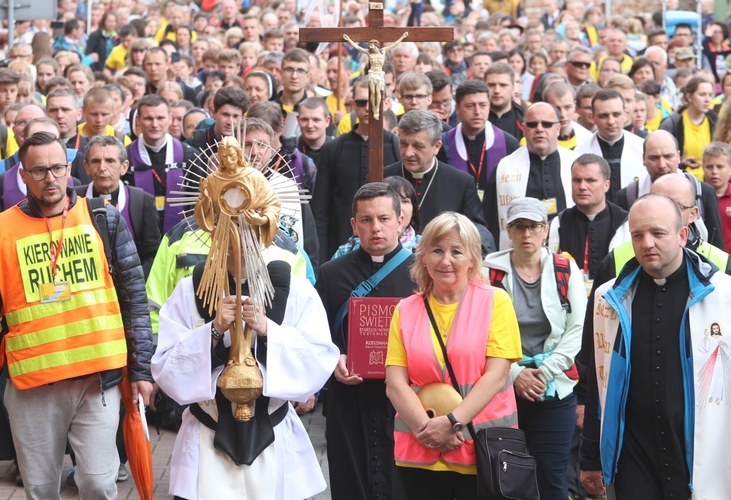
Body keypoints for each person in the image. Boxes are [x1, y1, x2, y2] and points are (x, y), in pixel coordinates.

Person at [152, 135, 338, 499]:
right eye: (227, 227)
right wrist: (212, 331)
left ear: (265, 233)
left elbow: (319, 360)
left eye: (249, 230)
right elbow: (166, 369)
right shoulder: (191, 290)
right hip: (207, 433)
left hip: (272, 430)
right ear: (213, 234)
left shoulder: (294, 289)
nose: (239, 236)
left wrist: (269, 330)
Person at [0, 131, 153, 498]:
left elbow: (134, 299)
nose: (51, 178)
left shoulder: (103, 219)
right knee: (41, 489)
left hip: (97, 379)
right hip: (32, 385)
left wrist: (141, 371)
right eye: (39, 170)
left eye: (57, 168)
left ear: (69, 168)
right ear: (22, 176)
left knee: (98, 482)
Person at [581, 193, 731, 499]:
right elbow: (600, 381)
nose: (647, 243)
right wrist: (590, 458)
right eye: (638, 235)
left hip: (700, 450)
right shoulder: (609, 298)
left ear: (682, 235)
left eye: (657, 233)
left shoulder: (724, 295)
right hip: (634, 453)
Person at [385, 211, 522, 498]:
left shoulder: (496, 302)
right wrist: (429, 431)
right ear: (424, 257)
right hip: (418, 451)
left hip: (481, 451)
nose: (445, 260)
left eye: (456, 251)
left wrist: (451, 424)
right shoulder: (405, 309)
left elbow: (496, 376)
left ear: (472, 259)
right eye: (437, 250)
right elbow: (395, 384)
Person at [316, 182, 416, 500]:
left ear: (401, 221)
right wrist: (334, 361)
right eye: (366, 220)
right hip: (349, 400)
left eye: (384, 218)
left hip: (406, 401)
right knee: (350, 483)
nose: (376, 228)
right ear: (353, 225)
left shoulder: (422, 273)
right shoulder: (331, 274)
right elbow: (316, 336)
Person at [483, 197, 585, 499]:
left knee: (552, 478)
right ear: (508, 230)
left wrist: (542, 374)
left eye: (534, 227)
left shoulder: (565, 269)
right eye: (519, 227)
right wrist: (515, 374)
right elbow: (481, 329)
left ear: (546, 230)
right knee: (503, 477)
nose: (527, 235)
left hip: (554, 389)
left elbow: (576, 328)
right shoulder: (489, 272)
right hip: (500, 387)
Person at [311, 76, 401, 263]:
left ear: (386, 103)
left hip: (393, 250)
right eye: (361, 102)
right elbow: (321, 209)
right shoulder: (332, 149)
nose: (368, 108)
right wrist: (322, 258)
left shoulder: (397, 147)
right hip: (342, 249)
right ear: (352, 104)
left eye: (374, 101)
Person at [384, 110, 494, 253]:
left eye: (418, 146)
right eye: (404, 144)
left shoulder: (461, 182)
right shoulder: (383, 177)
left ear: (436, 146)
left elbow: (478, 230)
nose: (408, 153)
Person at [483, 102, 580, 249]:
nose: (539, 129)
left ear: (558, 128)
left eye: (547, 124)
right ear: (523, 129)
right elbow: (489, 220)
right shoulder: (505, 167)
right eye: (532, 124)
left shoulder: (576, 164)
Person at [614, 130, 725, 250]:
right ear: (643, 159)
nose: (662, 164)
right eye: (654, 158)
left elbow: (716, 244)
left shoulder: (703, 192)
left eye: (668, 156)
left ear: (678, 156)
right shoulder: (627, 196)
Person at [78, 135, 161, 276]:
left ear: (124, 167)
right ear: (87, 167)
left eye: (110, 161)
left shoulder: (142, 201)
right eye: (96, 161)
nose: (102, 168)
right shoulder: (75, 199)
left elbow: (151, 255)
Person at [124, 94, 201, 234]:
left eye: (160, 118)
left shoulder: (190, 156)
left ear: (170, 119)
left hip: (182, 237)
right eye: (148, 118)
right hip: (138, 239)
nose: (155, 124)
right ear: (138, 120)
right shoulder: (125, 157)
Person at [548, 154, 630, 283]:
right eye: (577, 180)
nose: (582, 187)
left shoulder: (625, 223)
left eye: (591, 180)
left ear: (606, 185)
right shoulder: (559, 223)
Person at [437, 79, 519, 193]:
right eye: (470, 106)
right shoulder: (441, 145)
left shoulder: (509, 143)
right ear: (458, 109)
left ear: (489, 106)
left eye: (483, 105)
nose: (477, 112)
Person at [574, 89, 646, 202]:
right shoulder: (579, 152)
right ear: (593, 117)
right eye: (604, 116)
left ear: (625, 115)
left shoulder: (642, 148)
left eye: (616, 114)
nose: (611, 121)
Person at [660, 76, 718, 180]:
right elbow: (662, 156)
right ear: (689, 97)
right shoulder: (672, 123)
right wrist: (682, 162)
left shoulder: (716, 121)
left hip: (711, 179)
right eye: (702, 95)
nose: (707, 99)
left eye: (710, 95)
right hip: (680, 178)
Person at [344, 33, 409, 120]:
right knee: (372, 93)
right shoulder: (369, 53)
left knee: (378, 93)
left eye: (372, 45)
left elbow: (394, 44)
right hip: (372, 74)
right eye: (370, 46)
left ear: (376, 45)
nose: (371, 47)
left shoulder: (383, 51)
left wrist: (403, 37)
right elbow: (358, 47)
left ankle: (376, 110)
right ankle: (374, 108)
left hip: (379, 75)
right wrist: (349, 39)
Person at [703, 142, 731, 251]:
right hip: (705, 262)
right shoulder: (696, 196)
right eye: (709, 167)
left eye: (720, 167)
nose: (714, 172)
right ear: (703, 167)